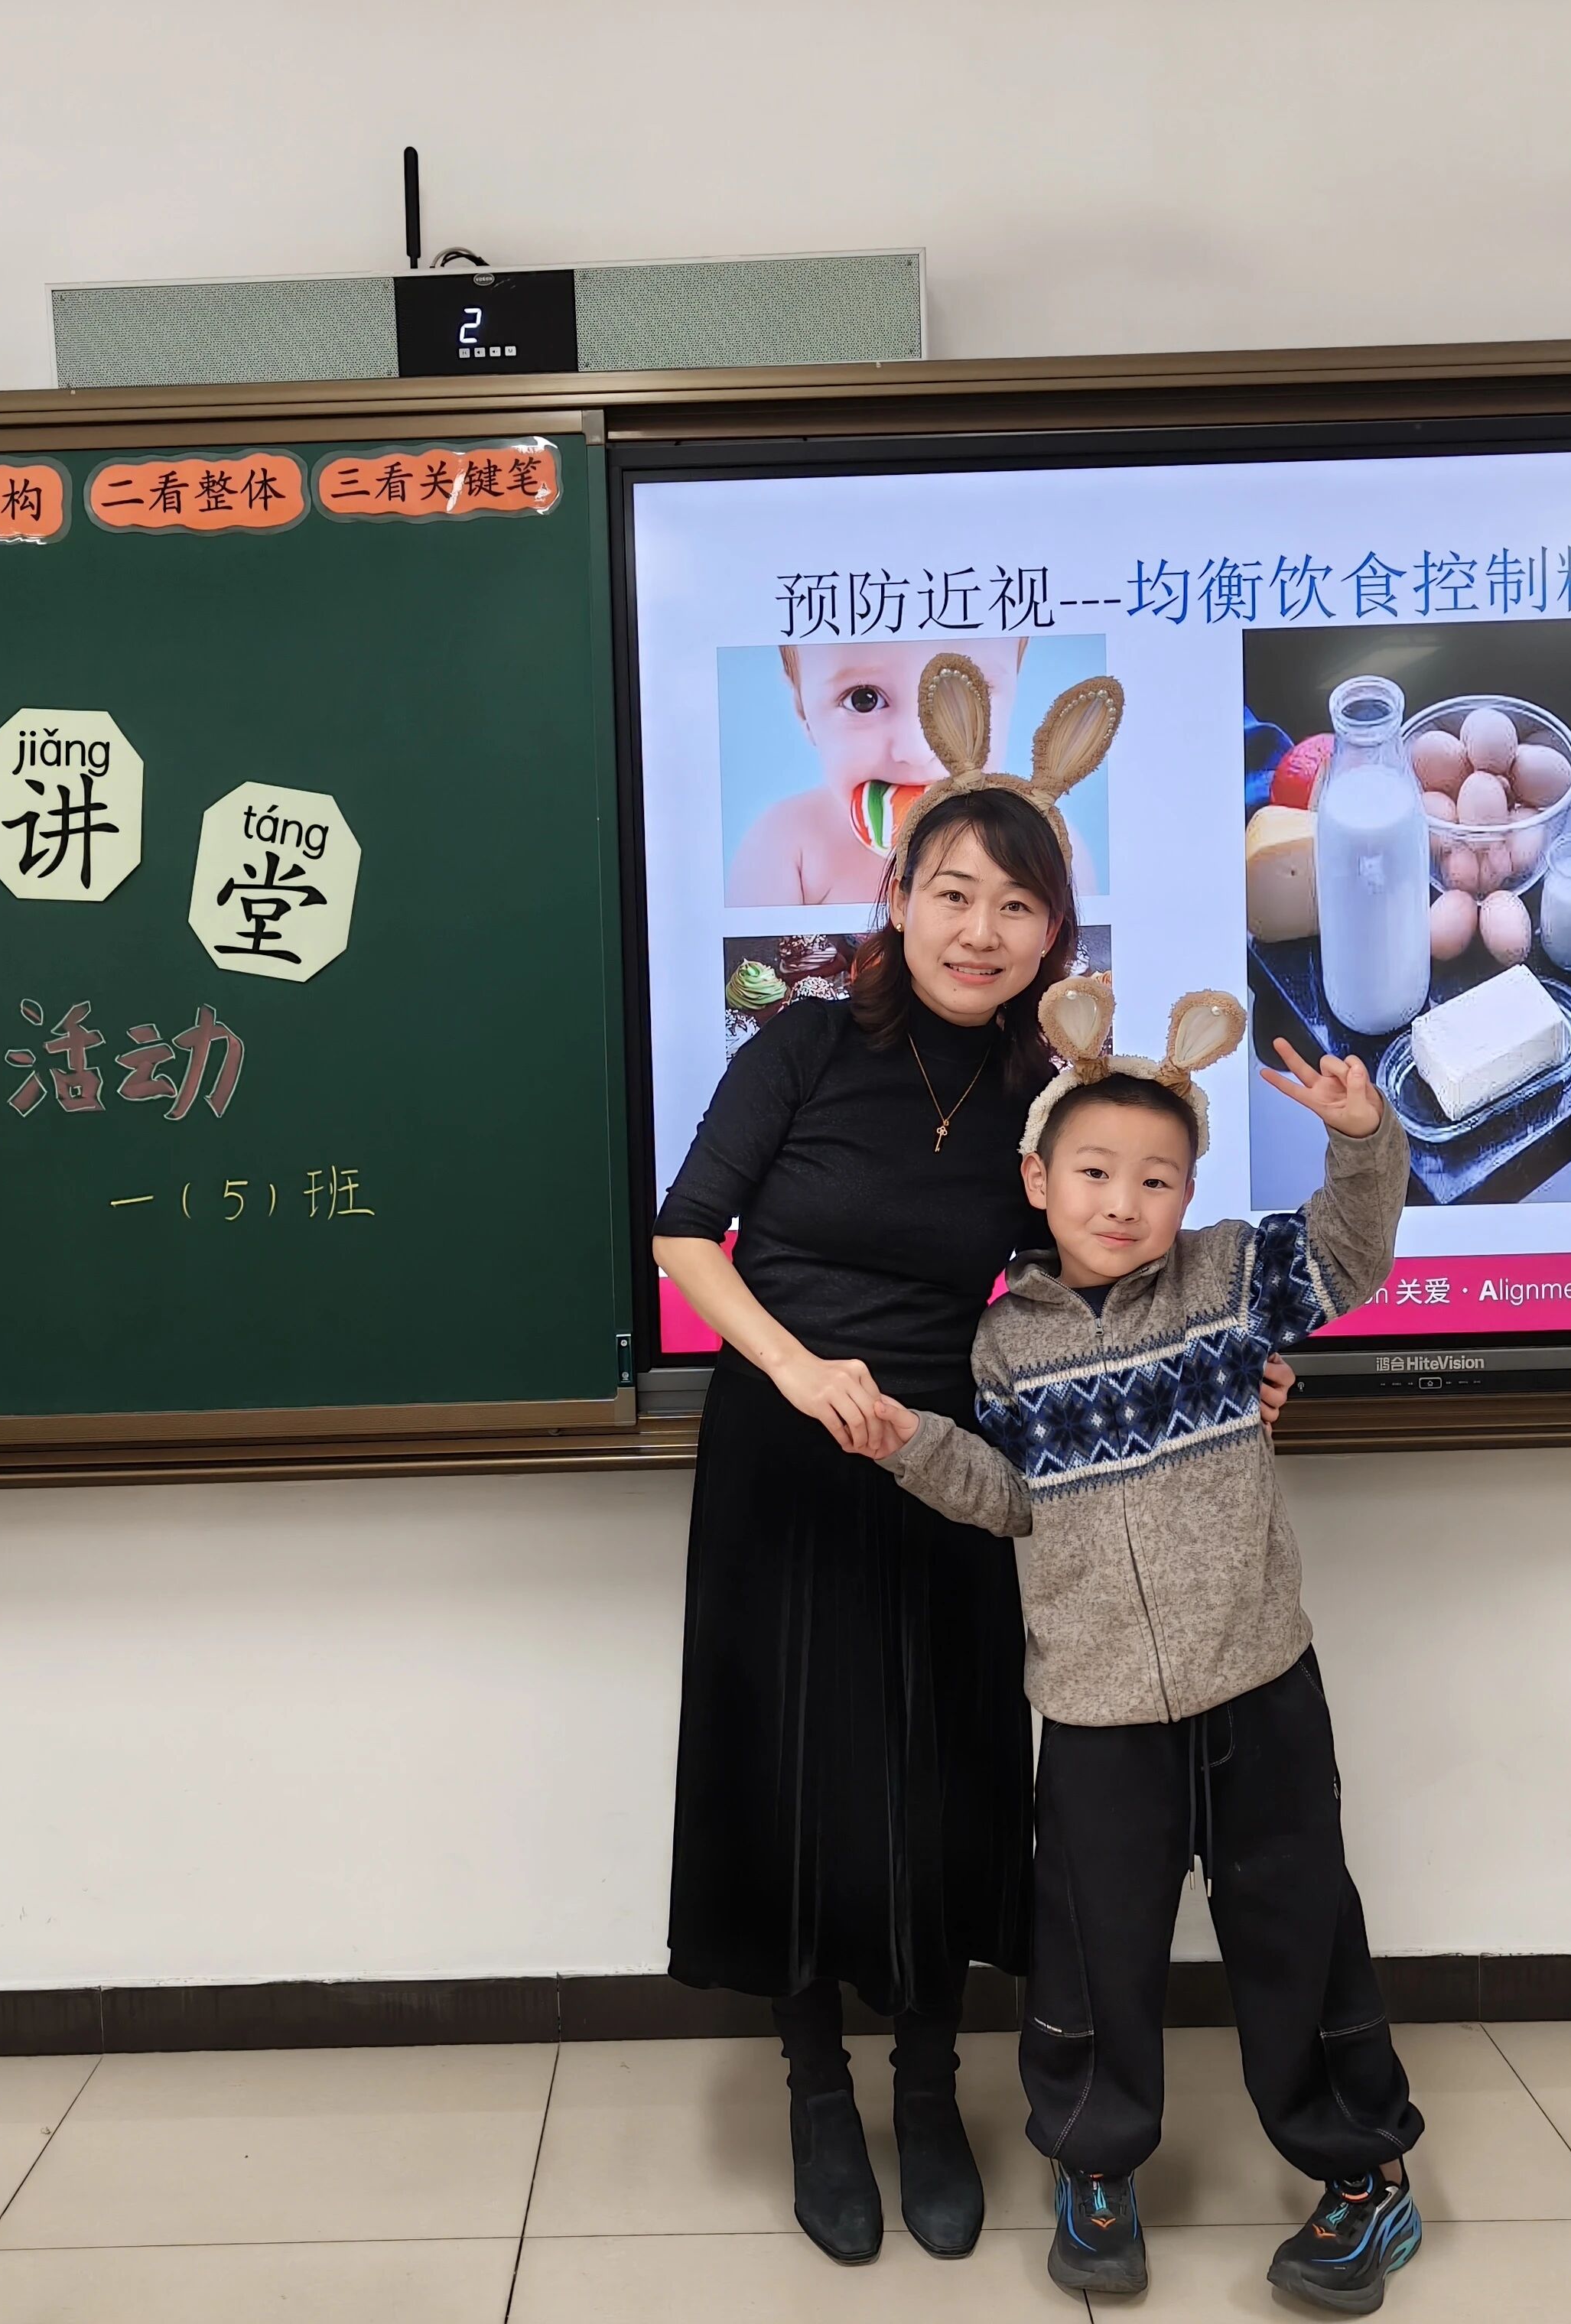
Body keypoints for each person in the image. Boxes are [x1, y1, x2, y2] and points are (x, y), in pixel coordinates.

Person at [653, 655, 1181, 2268]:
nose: (979, 930)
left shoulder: (1048, 1093)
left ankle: (930, 2085)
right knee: (795, 1770)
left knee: (948, 1774)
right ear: (895, 894)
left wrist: (1235, 1354)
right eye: (951, 892)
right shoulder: (802, 1049)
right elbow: (685, 1237)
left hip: (952, 1470)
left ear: (1053, 933)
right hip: (785, 1452)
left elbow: (1115, 1263)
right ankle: (817, 2087)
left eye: (1016, 906)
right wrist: (800, 1372)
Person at [850, 973, 1423, 2309]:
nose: (1124, 1202)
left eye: (1156, 1180)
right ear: (1037, 1181)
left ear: (1188, 1193)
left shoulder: (1226, 1279)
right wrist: (911, 1444)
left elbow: (1350, 1253)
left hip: (1259, 1682)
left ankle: (1363, 2177)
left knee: (1296, 1927)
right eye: (1095, 1172)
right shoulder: (1004, 1344)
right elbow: (1011, 1496)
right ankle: (1096, 2167)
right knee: (1094, 1945)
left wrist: (1362, 1137)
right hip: (1096, 1707)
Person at [728, 636, 1029, 905]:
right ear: (802, 711)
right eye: (864, 700)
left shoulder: (1033, 840)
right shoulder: (786, 846)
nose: (918, 750)